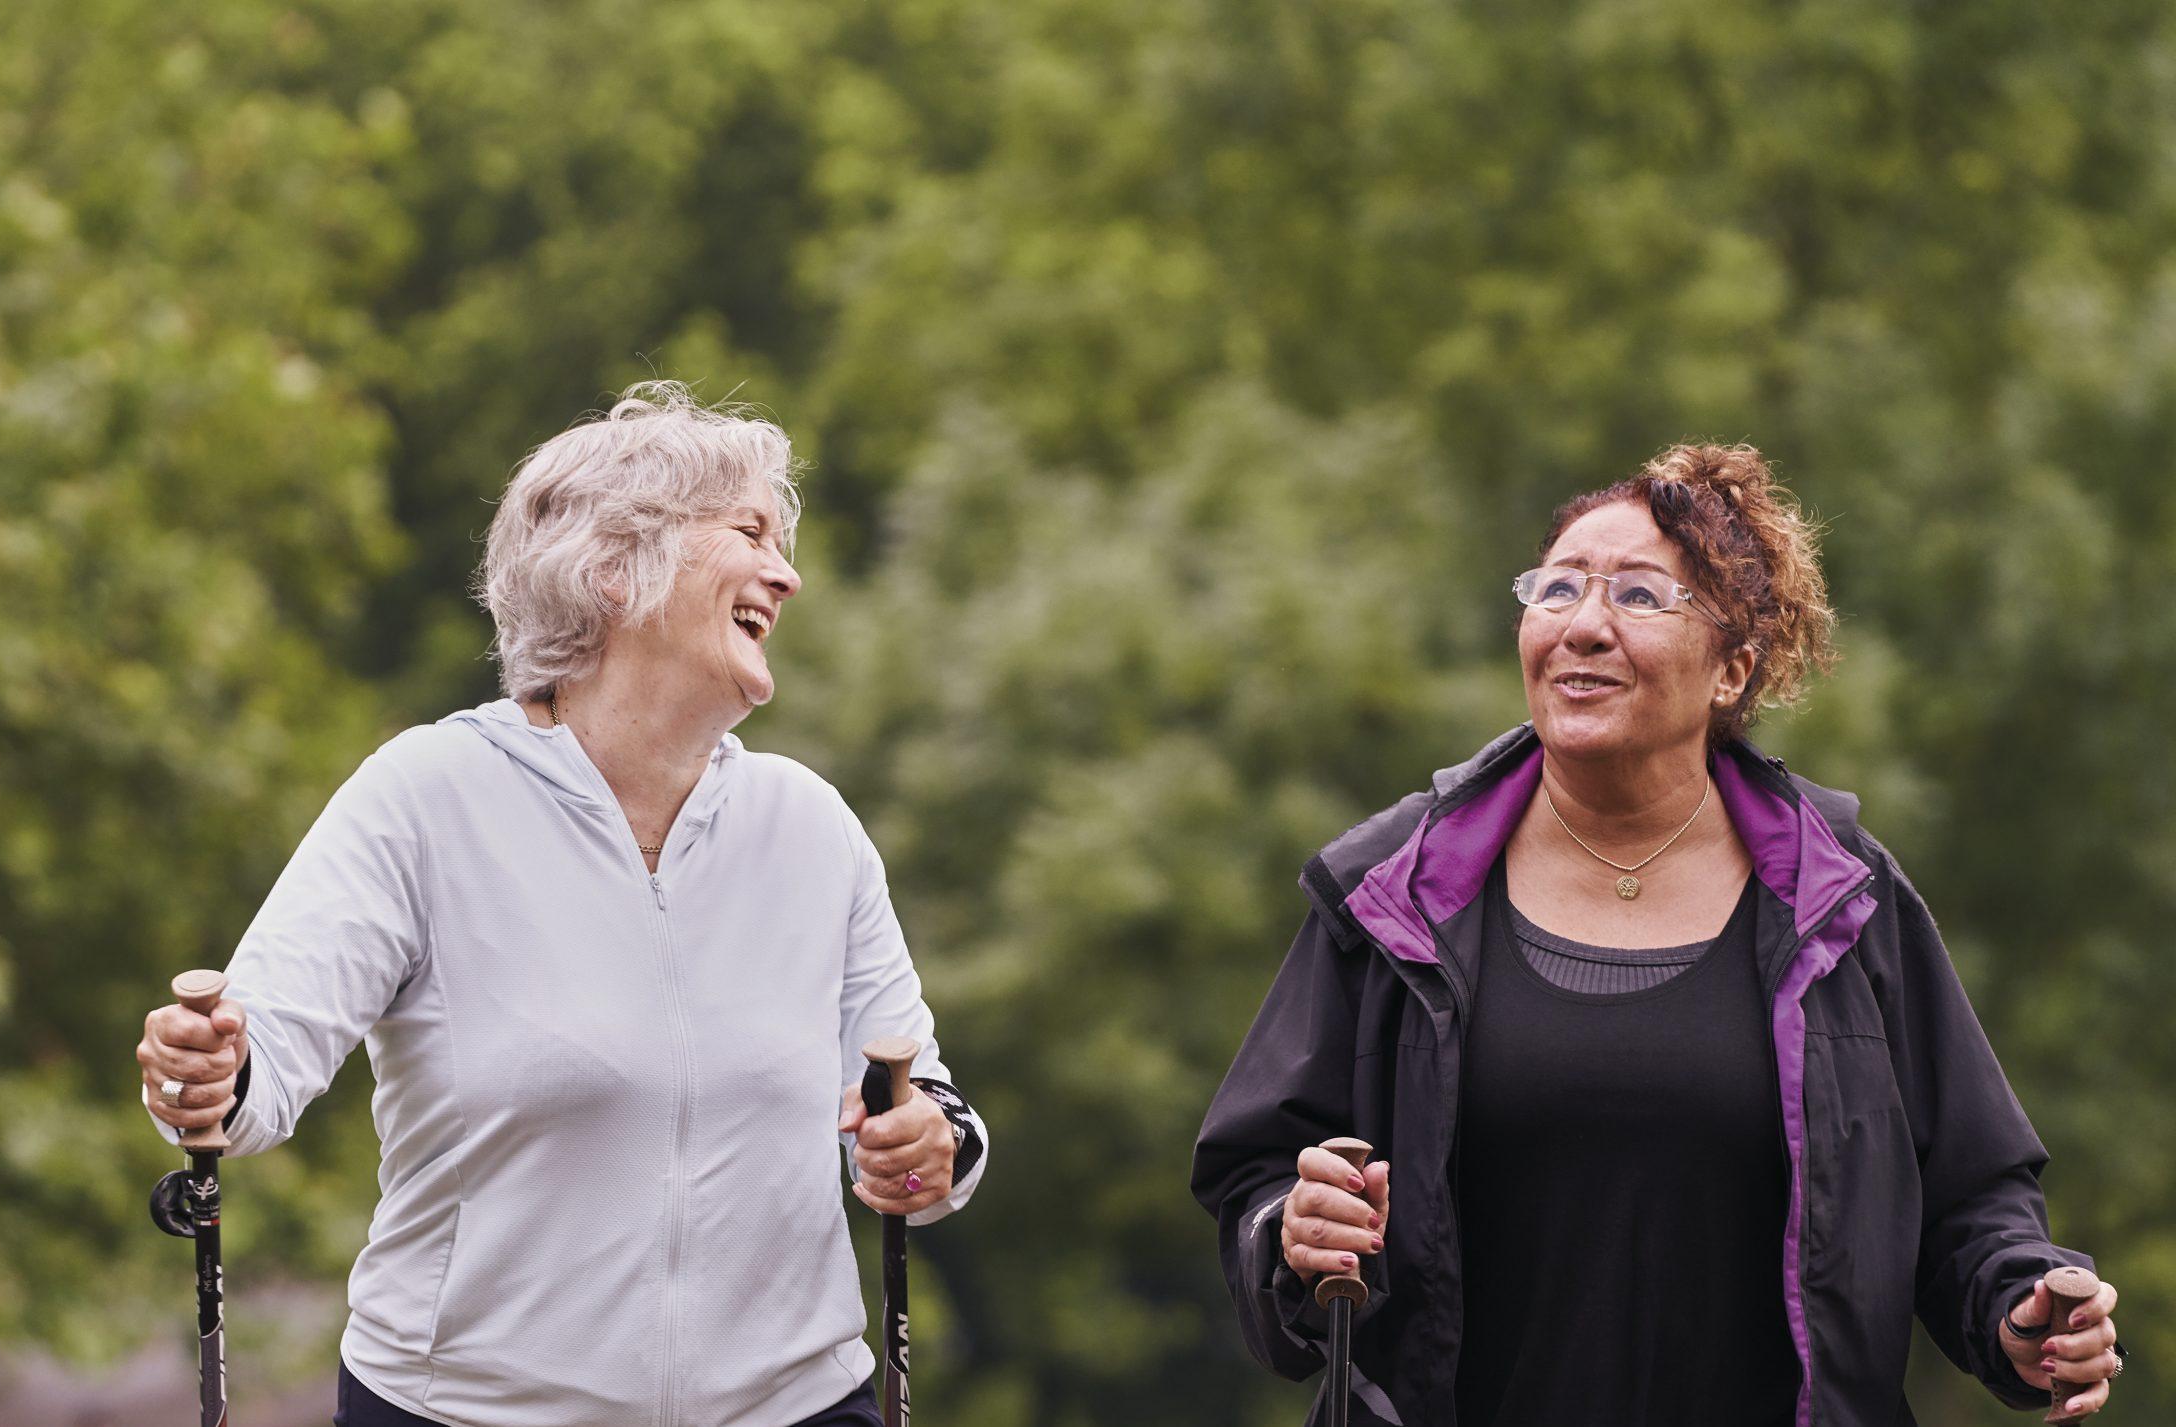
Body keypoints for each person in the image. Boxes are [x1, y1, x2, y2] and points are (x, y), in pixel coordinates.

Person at [1192, 444, 2124, 1426]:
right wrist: (1290, 1227)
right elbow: (1256, 1170)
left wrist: (2022, 1305)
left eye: (1637, 596)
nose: (1582, 625)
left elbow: (1970, 1195)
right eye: (1555, 587)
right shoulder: (1391, 896)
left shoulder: (1842, 899)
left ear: (1732, 667)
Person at [135, 383, 988, 1427]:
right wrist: (206, 1066)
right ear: (613, 568)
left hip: (799, 1405)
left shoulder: (811, 828)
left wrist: (926, 1143)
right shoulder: (427, 796)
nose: (788, 573)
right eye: (750, 531)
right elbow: (254, 1062)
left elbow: (916, 1102)